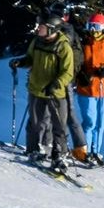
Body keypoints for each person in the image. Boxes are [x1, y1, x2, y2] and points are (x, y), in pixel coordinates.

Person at [19, 15, 75, 169]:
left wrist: (56, 83)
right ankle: (34, 150)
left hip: (55, 93)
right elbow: (30, 58)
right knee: (36, 124)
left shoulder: (63, 46)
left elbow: (68, 72)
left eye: (42, 27)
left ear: (51, 29)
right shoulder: (36, 42)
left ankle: (59, 155)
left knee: (59, 126)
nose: (38, 29)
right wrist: (21, 62)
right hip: (36, 90)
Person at [72, 11, 104, 168]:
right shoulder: (84, 44)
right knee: (90, 122)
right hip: (87, 90)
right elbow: (75, 64)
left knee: (100, 124)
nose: (93, 30)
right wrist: (81, 75)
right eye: (91, 26)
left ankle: (95, 152)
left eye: (96, 27)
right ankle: (83, 152)